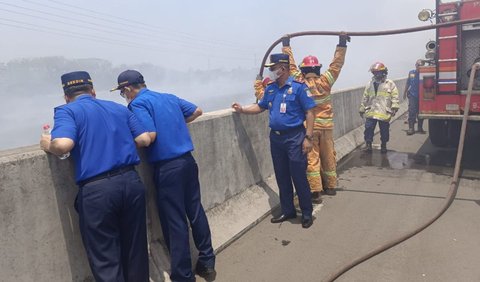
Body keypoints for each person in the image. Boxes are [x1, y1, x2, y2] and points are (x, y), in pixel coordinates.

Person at [39, 71, 151, 282]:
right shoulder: (118, 108)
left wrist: (48, 143)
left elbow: (63, 145)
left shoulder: (67, 111)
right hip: (131, 182)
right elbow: (144, 139)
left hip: (97, 191)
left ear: (66, 96)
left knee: (106, 260)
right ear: (93, 91)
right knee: (135, 253)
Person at [111, 70, 216, 282]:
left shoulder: (138, 105)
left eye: (123, 92)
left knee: (174, 222)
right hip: (187, 161)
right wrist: (175, 125)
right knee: (195, 211)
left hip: (168, 168)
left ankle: (183, 276)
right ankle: (207, 261)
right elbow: (197, 111)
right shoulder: (168, 97)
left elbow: (149, 137)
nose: (125, 96)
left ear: (128, 89)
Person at [232, 53, 316, 229]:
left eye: (273, 68)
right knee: (282, 176)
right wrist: (242, 109)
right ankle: (288, 210)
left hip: (295, 137)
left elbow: (310, 112)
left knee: (298, 175)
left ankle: (307, 213)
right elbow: (260, 106)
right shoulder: (271, 89)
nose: (270, 72)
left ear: (283, 68)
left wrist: (308, 137)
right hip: (276, 138)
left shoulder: (299, 87)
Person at [278, 34, 349, 201]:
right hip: (326, 128)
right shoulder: (326, 81)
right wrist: (342, 43)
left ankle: (315, 190)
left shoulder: (299, 82)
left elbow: (291, 65)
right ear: (317, 68)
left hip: (309, 128)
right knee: (328, 156)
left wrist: (286, 44)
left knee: (312, 158)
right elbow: (336, 65)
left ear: (303, 70)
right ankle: (330, 186)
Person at [359, 62, 399, 154]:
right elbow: (365, 97)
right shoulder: (370, 84)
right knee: (368, 129)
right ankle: (368, 145)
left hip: (384, 112)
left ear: (383, 72)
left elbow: (395, 96)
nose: (376, 74)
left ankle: (384, 145)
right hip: (371, 111)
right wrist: (362, 107)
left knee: (384, 131)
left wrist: (395, 107)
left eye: (378, 72)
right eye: (374, 72)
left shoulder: (389, 84)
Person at [404, 60, 425, 135]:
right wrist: (404, 92)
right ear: (415, 65)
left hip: (422, 96)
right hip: (413, 95)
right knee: (412, 111)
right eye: (418, 65)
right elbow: (408, 83)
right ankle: (411, 128)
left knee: (420, 112)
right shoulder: (411, 73)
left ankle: (420, 128)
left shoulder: (424, 73)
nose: (419, 66)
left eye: (421, 65)